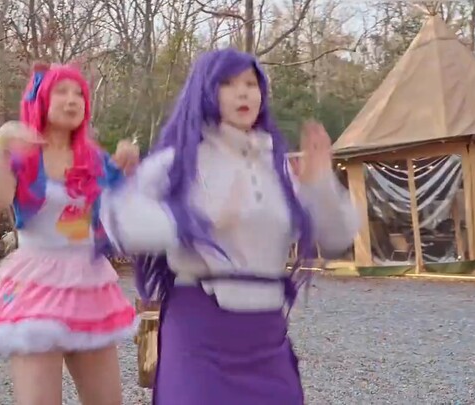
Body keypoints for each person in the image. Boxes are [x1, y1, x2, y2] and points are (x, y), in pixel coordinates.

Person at [100, 49, 360, 404]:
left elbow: (336, 238)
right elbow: (119, 220)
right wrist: (192, 223)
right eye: (229, 83)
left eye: (251, 84)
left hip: (267, 336)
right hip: (200, 332)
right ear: (206, 90)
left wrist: (321, 185)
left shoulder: (277, 167)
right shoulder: (178, 162)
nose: (243, 93)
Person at [0, 63, 140, 405]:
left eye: (79, 93)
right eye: (61, 92)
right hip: (37, 282)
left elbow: (123, 217)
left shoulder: (95, 158)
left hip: (89, 281)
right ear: (40, 100)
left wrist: (128, 173)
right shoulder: (23, 152)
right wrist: (2, 145)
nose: (72, 100)